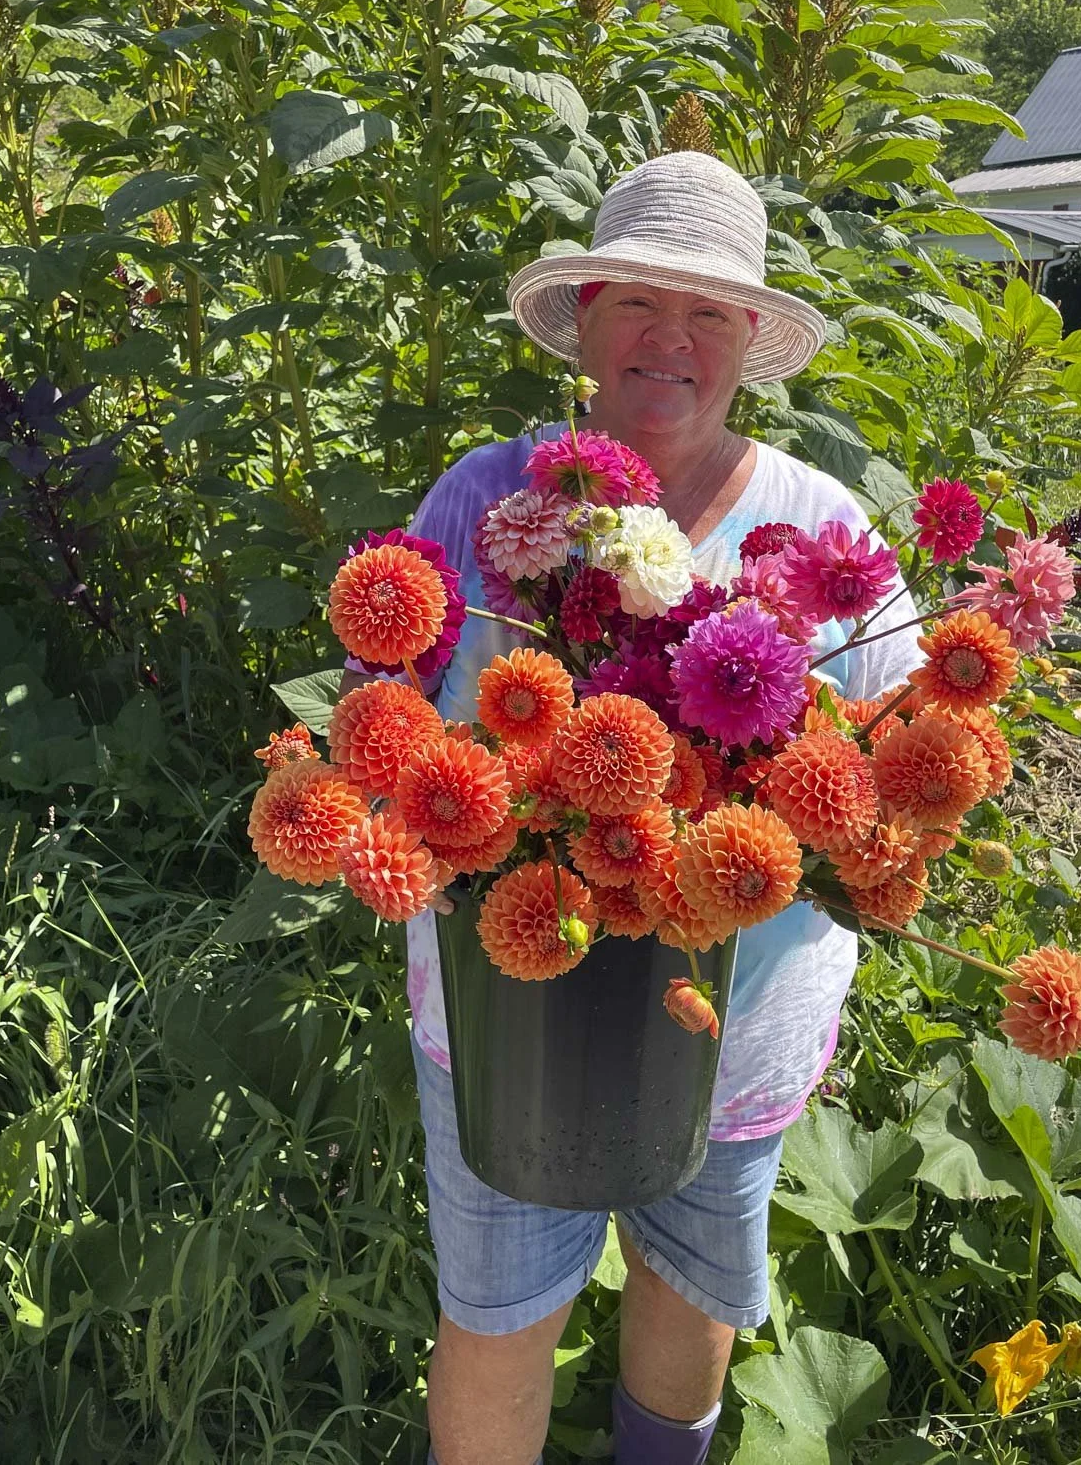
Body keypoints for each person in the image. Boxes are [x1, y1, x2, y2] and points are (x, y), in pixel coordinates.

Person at [340, 152, 920, 1465]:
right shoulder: (489, 499)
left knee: (692, 1286)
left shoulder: (821, 532)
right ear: (586, 321)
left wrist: (827, 821)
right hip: (512, 1020)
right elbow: (375, 729)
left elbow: (896, 781)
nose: (671, 338)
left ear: (748, 342)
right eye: (638, 304)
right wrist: (430, 806)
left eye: (710, 311)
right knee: (498, 1311)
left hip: (737, 1024)